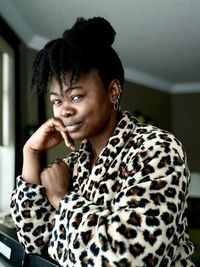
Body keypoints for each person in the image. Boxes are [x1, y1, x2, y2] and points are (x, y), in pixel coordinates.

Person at [10, 17, 195, 267]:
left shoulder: (157, 149)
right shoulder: (73, 163)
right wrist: (30, 152)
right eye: (56, 101)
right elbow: (33, 243)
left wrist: (62, 199)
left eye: (76, 96)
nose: (63, 110)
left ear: (113, 91)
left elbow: (128, 258)